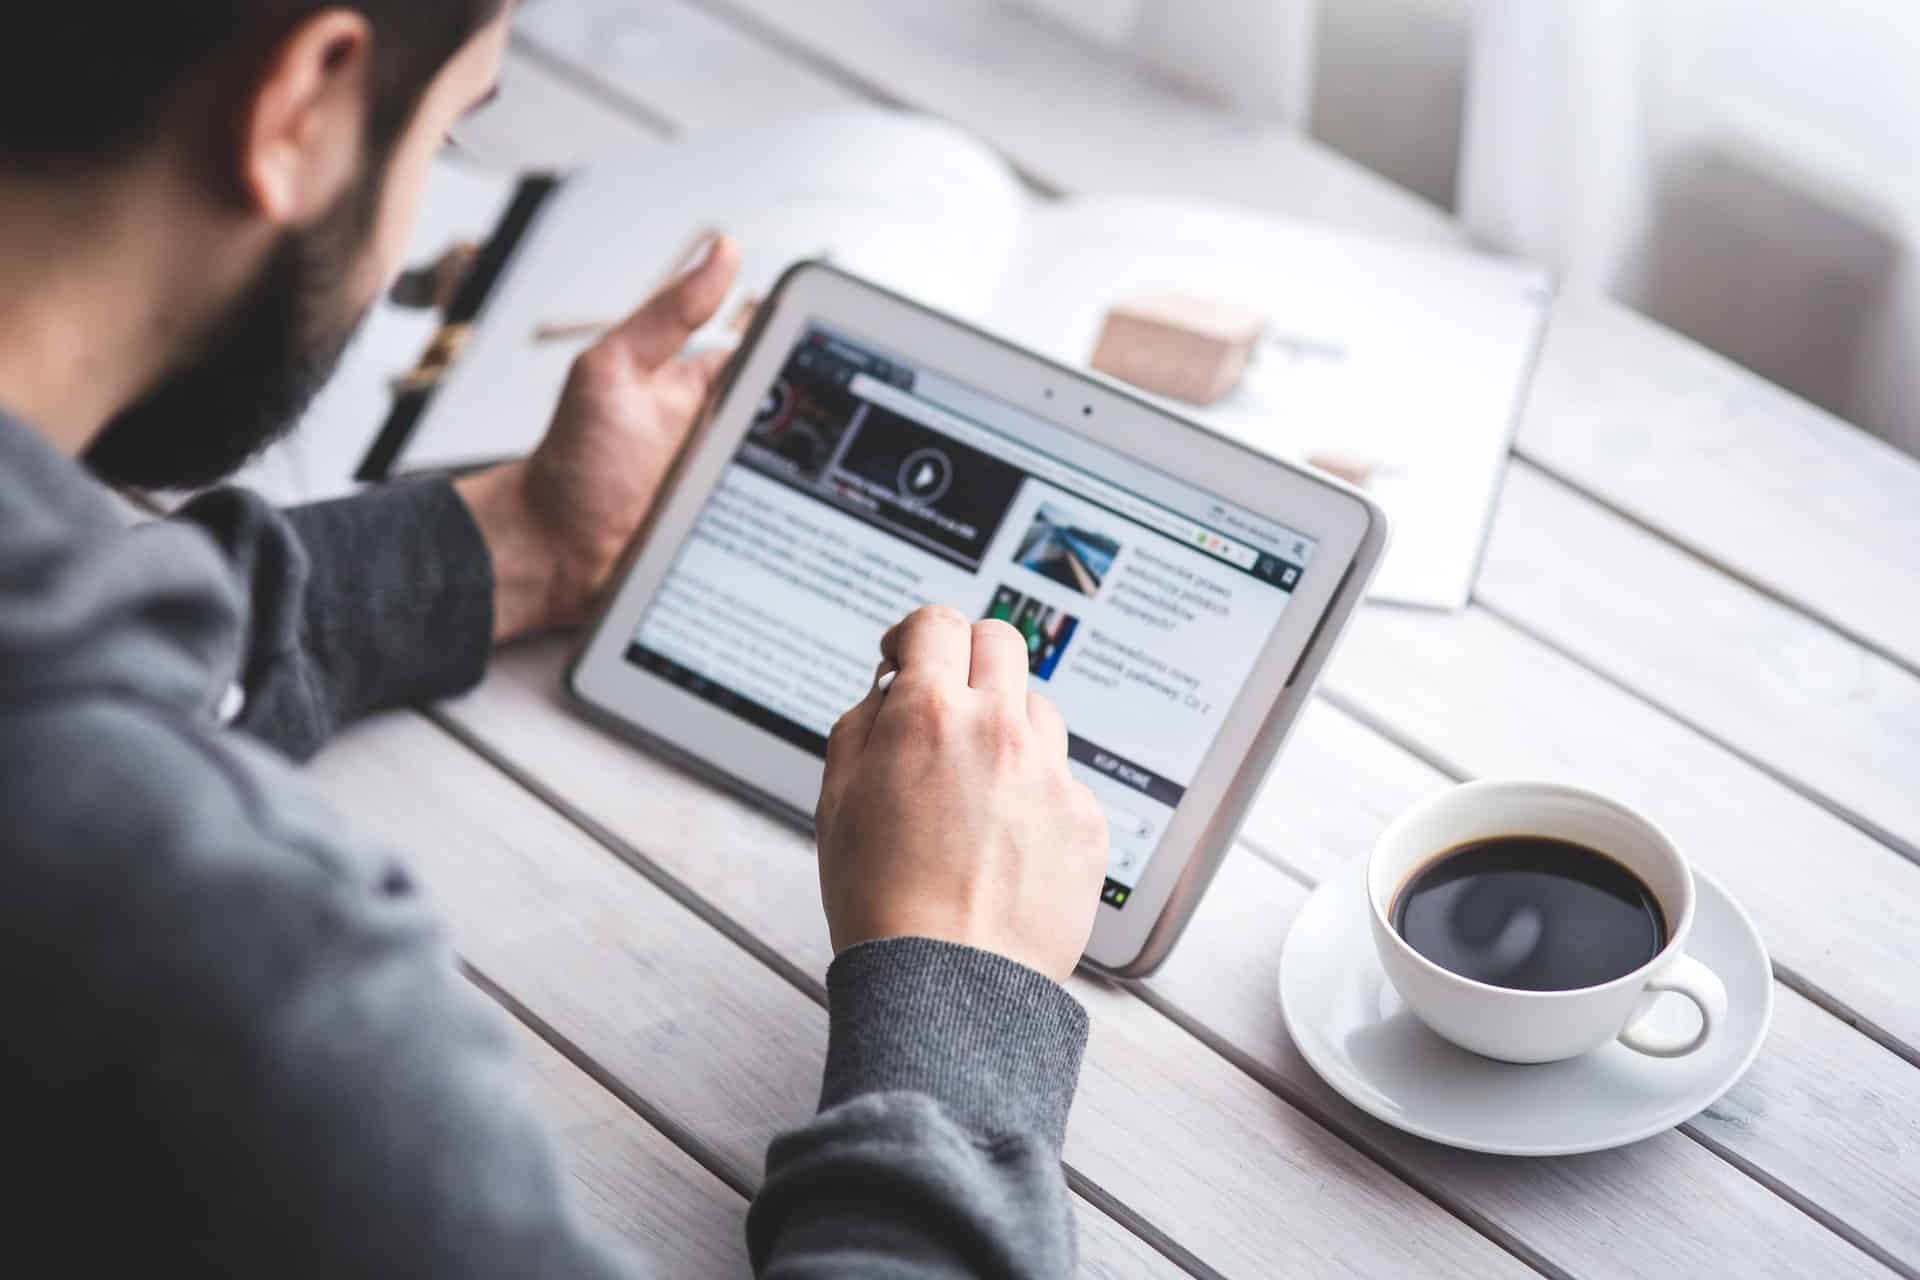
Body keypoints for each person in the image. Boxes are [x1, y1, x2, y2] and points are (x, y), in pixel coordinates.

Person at [0, 3, 1111, 1276]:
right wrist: (959, 983)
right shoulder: (232, 972)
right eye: (449, 129)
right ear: (304, 100)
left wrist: (518, 539)